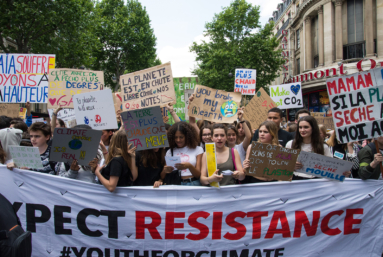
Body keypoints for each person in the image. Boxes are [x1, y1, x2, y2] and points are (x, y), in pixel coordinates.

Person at [286, 116, 350, 179]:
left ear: (313, 128)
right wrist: (291, 166)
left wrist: (343, 172)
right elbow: (283, 167)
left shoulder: (323, 147)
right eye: (300, 127)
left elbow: (330, 168)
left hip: (316, 182)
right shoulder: (290, 144)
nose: (302, 130)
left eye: (306, 127)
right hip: (296, 181)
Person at [164, 121, 203, 186]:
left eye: (181, 137)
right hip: (176, 184)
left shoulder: (198, 149)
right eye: (176, 137)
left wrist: (189, 166)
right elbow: (163, 175)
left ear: (187, 136)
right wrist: (166, 169)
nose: (178, 140)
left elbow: (198, 175)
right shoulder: (170, 151)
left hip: (193, 183)